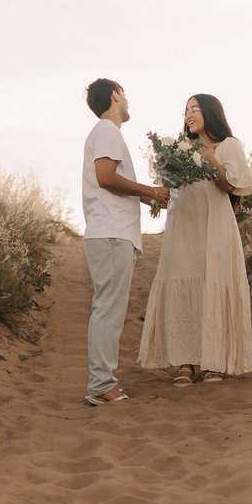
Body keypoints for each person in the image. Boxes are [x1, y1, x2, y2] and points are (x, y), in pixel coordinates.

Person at [138, 93, 252, 384]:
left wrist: (208, 158)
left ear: (210, 112)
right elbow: (168, 190)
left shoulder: (228, 145)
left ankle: (214, 362)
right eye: (186, 110)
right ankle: (185, 362)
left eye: (195, 109)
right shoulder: (178, 150)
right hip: (183, 225)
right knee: (183, 282)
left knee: (213, 280)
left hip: (215, 224)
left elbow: (231, 186)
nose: (189, 115)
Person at [81, 78, 167, 407]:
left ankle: (101, 382)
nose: (128, 101)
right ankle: (102, 385)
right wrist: (150, 191)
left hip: (111, 232)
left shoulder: (106, 132)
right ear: (115, 95)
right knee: (108, 311)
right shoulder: (107, 130)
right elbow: (106, 178)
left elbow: (114, 184)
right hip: (112, 233)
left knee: (107, 309)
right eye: (125, 94)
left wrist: (152, 198)